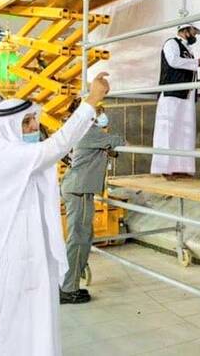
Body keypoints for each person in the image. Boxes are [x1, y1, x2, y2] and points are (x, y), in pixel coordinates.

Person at [0, 73, 110, 356]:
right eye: (26, 122)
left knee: (40, 325)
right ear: (8, 128)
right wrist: (91, 101)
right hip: (14, 260)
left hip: (34, 255)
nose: (34, 126)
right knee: (15, 327)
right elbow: (57, 146)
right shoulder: (5, 155)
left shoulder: (21, 155)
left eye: (33, 120)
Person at [59, 104, 124, 304]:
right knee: (79, 238)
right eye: (99, 113)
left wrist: (108, 148)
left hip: (78, 188)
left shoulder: (82, 131)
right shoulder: (89, 132)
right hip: (79, 190)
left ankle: (70, 281)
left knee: (83, 236)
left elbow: (108, 150)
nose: (102, 117)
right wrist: (110, 143)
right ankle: (68, 289)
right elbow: (119, 142)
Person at [151, 24, 200, 180]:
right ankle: (164, 168)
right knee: (167, 131)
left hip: (186, 95)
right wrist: (195, 63)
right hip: (172, 93)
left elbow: (191, 74)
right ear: (185, 31)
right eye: (194, 31)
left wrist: (197, 91)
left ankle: (181, 168)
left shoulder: (188, 49)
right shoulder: (171, 43)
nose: (195, 35)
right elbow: (173, 61)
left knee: (184, 132)